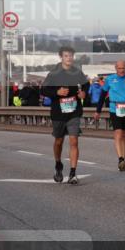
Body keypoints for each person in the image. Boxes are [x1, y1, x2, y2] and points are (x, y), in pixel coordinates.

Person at [41, 46, 89, 184]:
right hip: (58, 112)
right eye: (66, 56)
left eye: (71, 56)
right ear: (61, 57)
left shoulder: (77, 72)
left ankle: (73, 173)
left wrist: (84, 92)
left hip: (74, 111)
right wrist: (56, 92)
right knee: (59, 141)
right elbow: (43, 90)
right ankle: (58, 164)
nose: (69, 58)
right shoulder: (54, 74)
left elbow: (86, 84)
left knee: (74, 141)